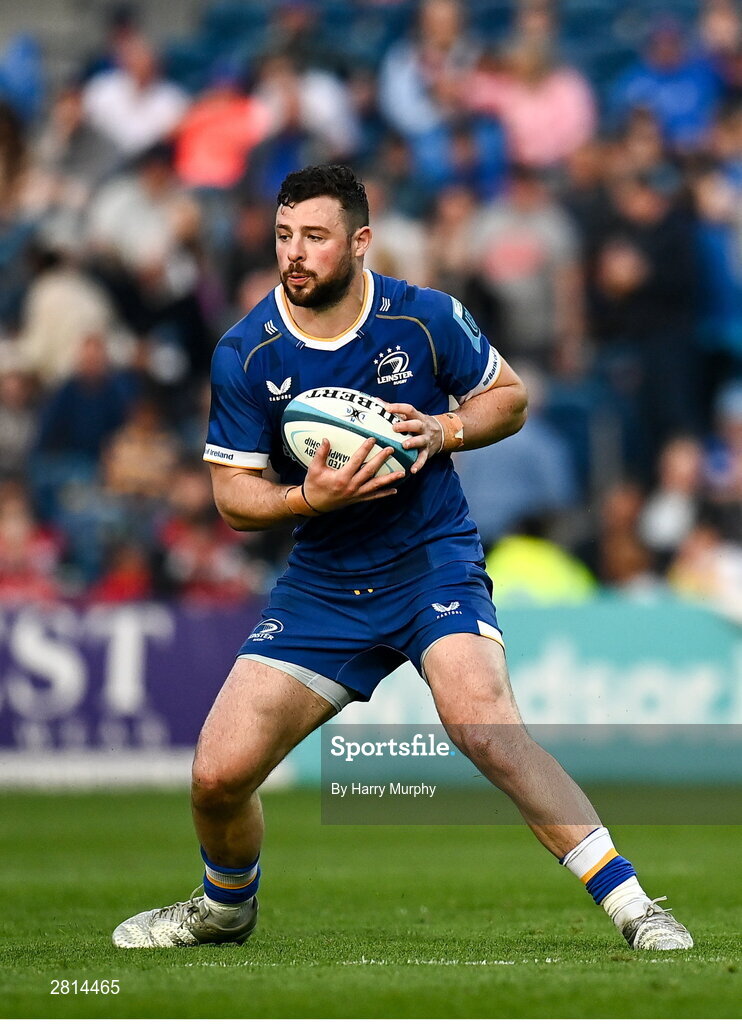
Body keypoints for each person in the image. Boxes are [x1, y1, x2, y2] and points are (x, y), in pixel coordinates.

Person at [112, 164, 692, 952]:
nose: (295, 254)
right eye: (284, 236)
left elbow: (509, 397)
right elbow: (231, 493)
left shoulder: (423, 319)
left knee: (485, 725)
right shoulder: (246, 351)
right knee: (216, 776)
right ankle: (223, 909)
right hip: (322, 582)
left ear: (360, 241)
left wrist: (442, 430)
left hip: (431, 560)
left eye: (314, 237)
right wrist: (302, 502)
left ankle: (636, 907)